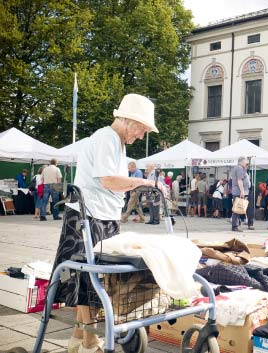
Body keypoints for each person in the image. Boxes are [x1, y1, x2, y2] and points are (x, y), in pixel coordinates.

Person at [50, 93, 164, 353]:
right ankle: (90, 343)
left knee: (92, 279)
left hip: (102, 215)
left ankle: (78, 340)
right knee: (90, 280)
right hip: (89, 216)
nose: (142, 135)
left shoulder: (116, 142)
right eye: (142, 129)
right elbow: (108, 180)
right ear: (127, 120)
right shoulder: (107, 137)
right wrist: (146, 182)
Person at [231, 157, 250, 232]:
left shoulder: (237, 168)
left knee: (237, 209)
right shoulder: (239, 168)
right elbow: (239, 180)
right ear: (242, 161)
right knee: (237, 209)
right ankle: (235, 226)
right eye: (246, 161)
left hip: (236, 191)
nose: (247, 163)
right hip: (238, 191)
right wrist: (242, 191)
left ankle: (236, 225)